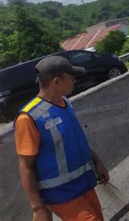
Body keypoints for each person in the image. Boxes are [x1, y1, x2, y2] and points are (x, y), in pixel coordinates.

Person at [15, 56, 109, 221]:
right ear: (56, 82)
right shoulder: (29, 117)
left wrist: (97, 161)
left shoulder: (65, 103)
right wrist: (38, 207)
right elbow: (26, 166)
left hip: (83, 184)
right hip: (61, 194)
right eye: (71, 77)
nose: (74, 80)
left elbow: (76, 139)